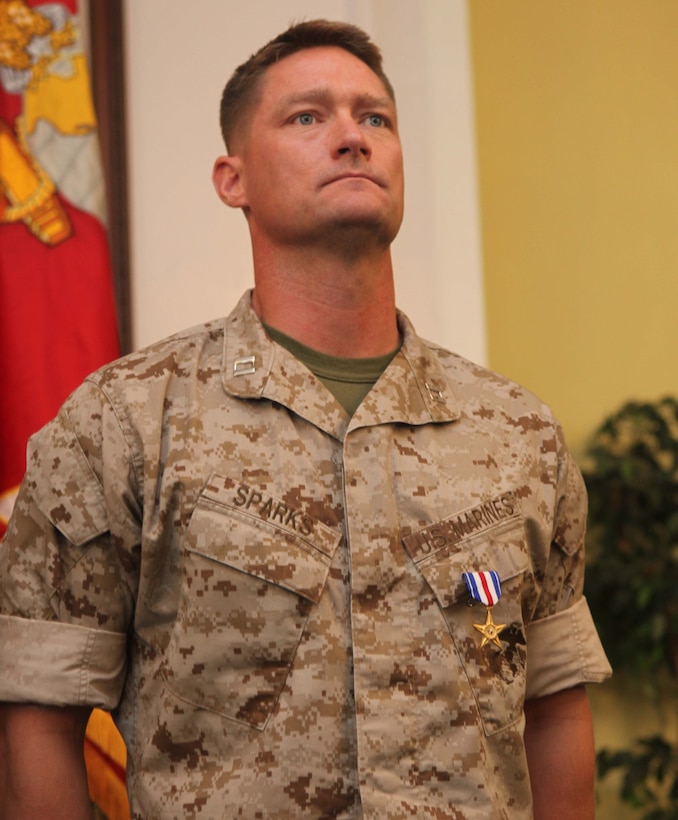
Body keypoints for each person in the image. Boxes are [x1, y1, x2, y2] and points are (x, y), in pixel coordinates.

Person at [0, 19, 611, 819]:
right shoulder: (124, 425)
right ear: (233, 178)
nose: (352, 137)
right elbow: (38, 715)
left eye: (375, 118)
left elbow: (553, 705)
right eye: (307, 117)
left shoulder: (517, 436)